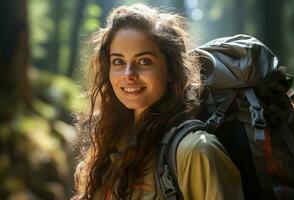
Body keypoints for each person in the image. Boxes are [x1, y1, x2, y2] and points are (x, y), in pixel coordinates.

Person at [72, 3, 244, 200]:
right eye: (118, 61)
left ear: (171, 70)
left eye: (144, 61)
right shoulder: (109, 145)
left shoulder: (195, 151)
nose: (129, 74)